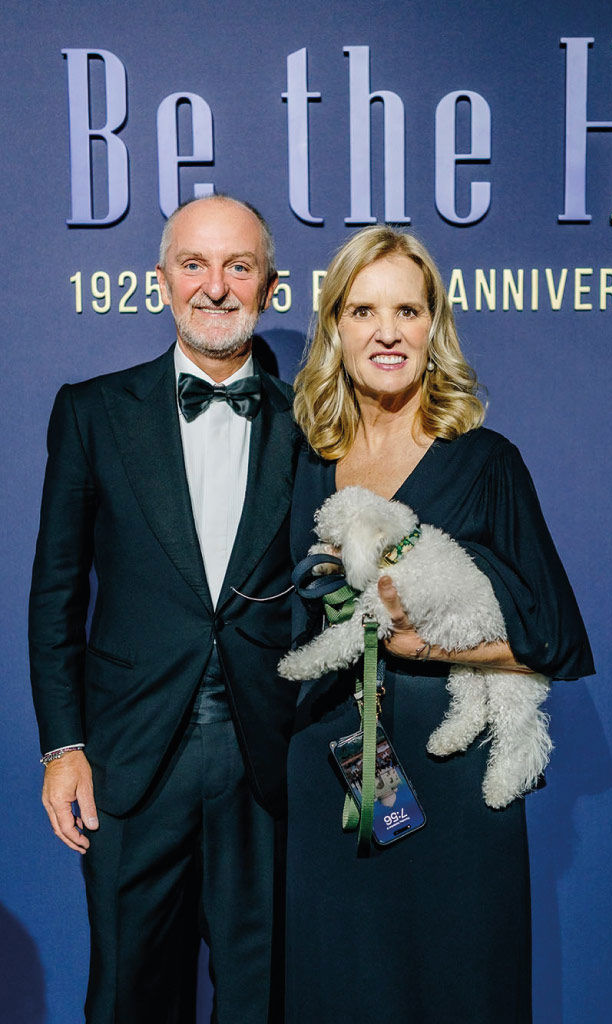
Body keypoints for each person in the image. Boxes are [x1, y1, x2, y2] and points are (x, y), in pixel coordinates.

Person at [286, 226, 594, 1022]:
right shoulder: (304, 461)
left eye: (407, 310)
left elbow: (554, 637)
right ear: (336, 326)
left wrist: (424, 645)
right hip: (331, 771)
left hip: (453, 778)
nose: (387, 332)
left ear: (434, 327)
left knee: (457, 987)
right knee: (340, 990)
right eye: (363, 310)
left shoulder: (487, 460)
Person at [28, 195, 299, 1023]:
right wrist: (63, 747)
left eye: (238, 267)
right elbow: (56, 594)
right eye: (194, 265)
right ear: (161, 281)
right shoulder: (92, 412)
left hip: (269, 762)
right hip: (131, 758)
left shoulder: (313, 425)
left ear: (270, 286)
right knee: (129, 995)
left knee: (262, 997)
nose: (215, 287)